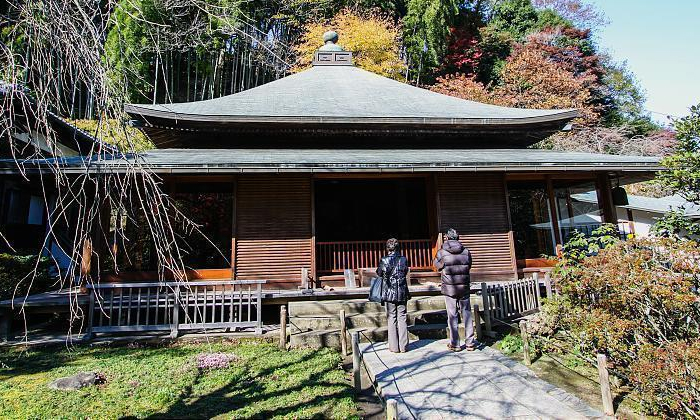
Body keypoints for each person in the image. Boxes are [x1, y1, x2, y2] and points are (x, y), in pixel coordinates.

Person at [434, 228, 476, 352]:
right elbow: (469, 266)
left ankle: (455, 343)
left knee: (452, 315)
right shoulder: (466, 251)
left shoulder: (442, 252)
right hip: (463, 286)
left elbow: (437, 266)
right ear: (458, 237)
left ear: (447, 237)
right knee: (467, 313)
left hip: (449, 287)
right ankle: (470, 342)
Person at [376, 238, 410, 353]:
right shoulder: (403, 260)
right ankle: (404, 346)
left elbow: (379, 273)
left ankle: (394, 347)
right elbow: (405, 271)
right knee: (402, 317)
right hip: (401, 291)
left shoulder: (384, 260)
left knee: (391, 318)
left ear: (387, 248)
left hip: (389, 292)